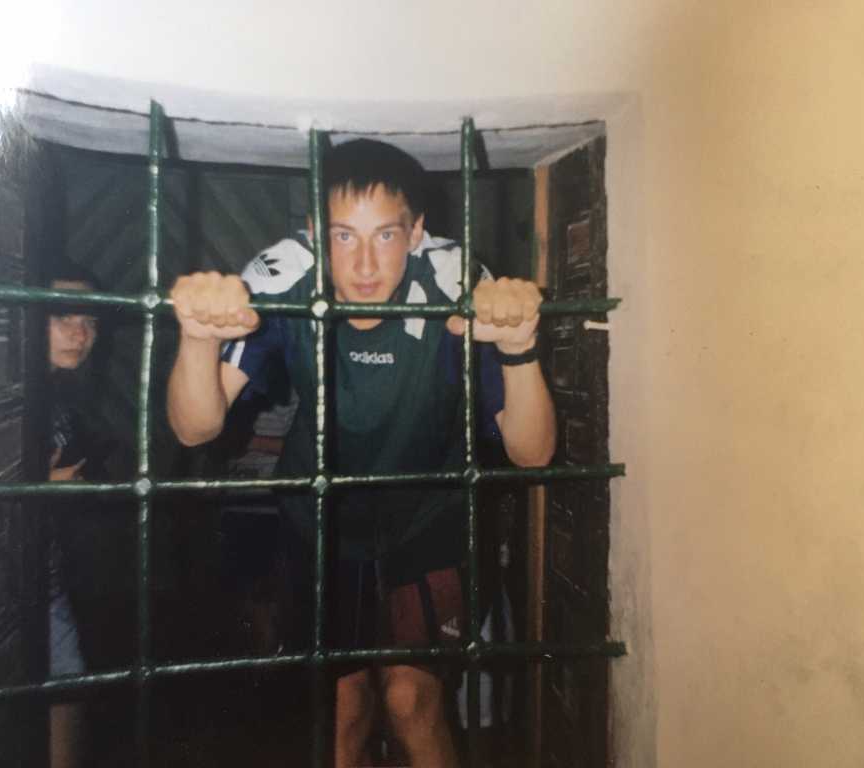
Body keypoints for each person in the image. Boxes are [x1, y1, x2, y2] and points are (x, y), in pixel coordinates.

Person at [166, 139, 556, 767]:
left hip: (429, 520)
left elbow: (533, 454)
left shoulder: (455, 280)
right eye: (344, 236)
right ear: (316, 233)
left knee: (410, 700)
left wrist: (518, 348)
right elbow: (195, 429)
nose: (366, 264)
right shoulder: (285, 275)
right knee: (343, 711)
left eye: (386, 235)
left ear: (417, 232)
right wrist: (196, 338)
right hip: (322, 522)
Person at [46, 268, 100, 768]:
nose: (80, 333)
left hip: (45, 568)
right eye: (63, 317)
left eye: (90, 321)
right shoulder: (4, 389)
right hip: (3, 575)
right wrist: (49, 484)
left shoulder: (58, 394)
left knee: (68, 683)